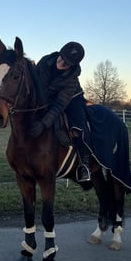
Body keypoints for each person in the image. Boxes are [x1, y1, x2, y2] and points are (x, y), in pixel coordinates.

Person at [28, 41, 91, 182]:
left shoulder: (72, 79)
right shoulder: (45, 61)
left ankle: (84, 164)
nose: (62, 63)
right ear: (60, 53)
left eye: (67, 63)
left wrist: (43, 124)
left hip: (72, 99)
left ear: (73, 65)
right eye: (61, 58)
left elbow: (59, 105)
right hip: (47, 97)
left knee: (77, 126)